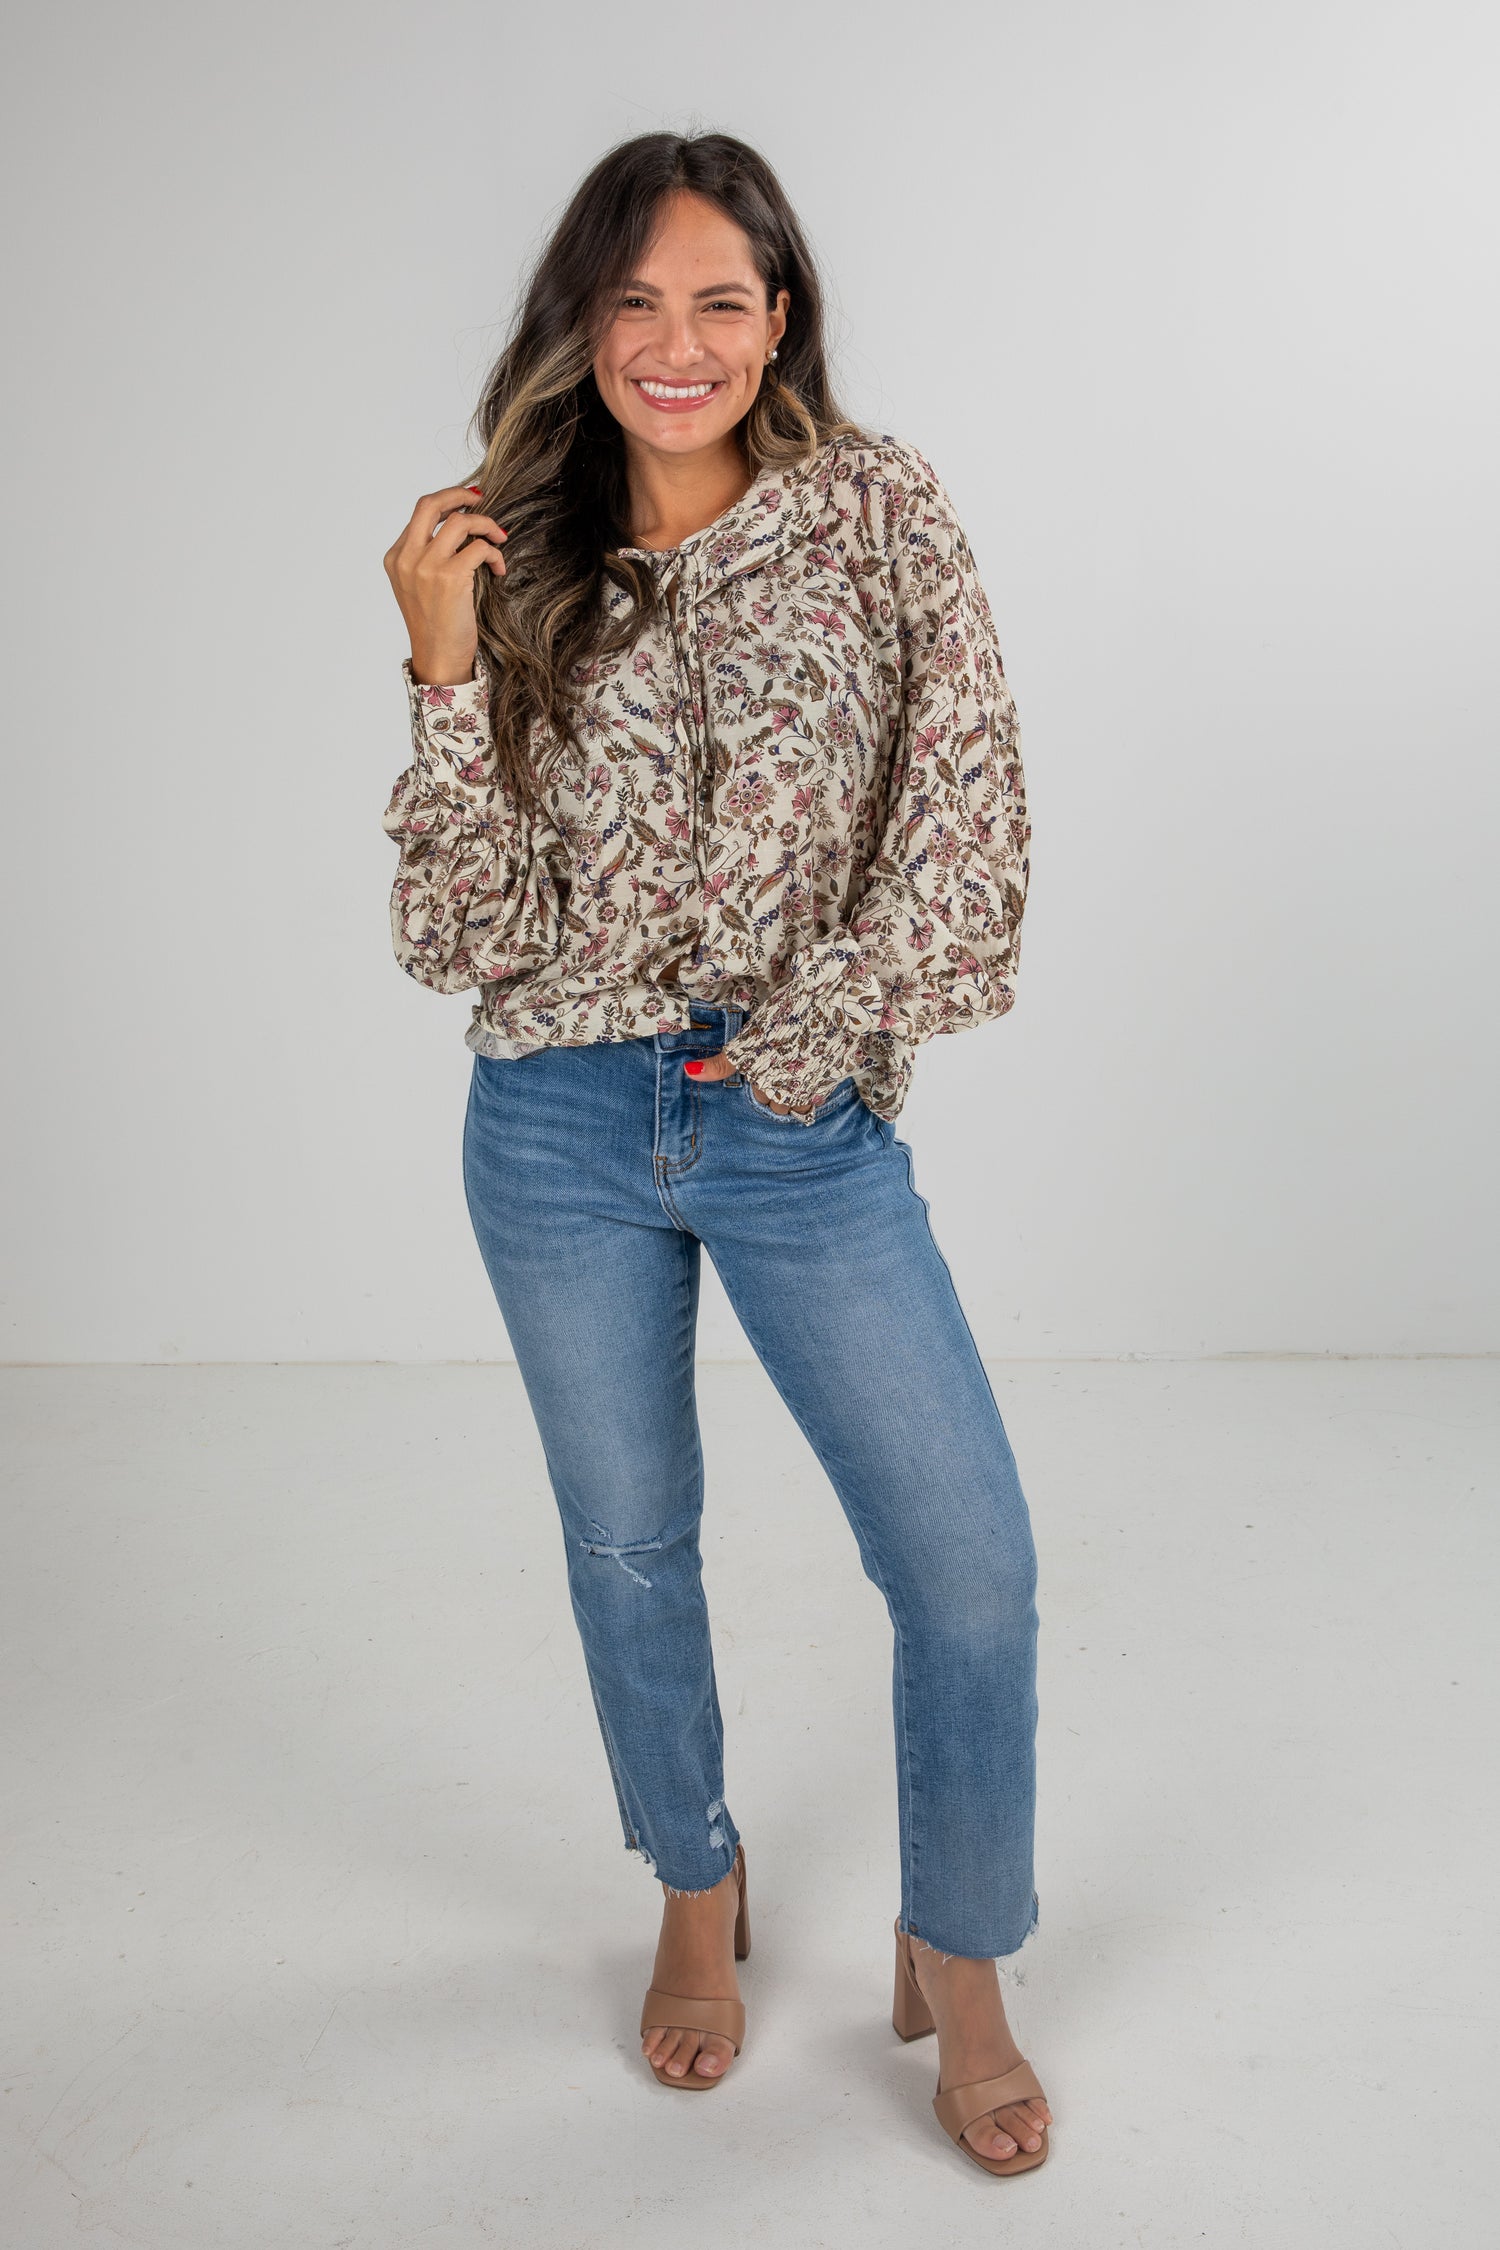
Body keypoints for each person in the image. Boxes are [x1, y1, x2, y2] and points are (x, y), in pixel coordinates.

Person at [379, 130, 1052, 2179]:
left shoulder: (877, 516)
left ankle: (963, 1956)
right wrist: (432, 668)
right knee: (627, 1544)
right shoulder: (504, 548)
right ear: (584, 322)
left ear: (784, 317)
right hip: (556, 1121)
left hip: (793, 1111)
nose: (679, 344)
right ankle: (695, 1885)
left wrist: (807, 1052)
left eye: (722, 300)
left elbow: (974, 839)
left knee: (970, 1571)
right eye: (638, 301)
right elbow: (458, 938)